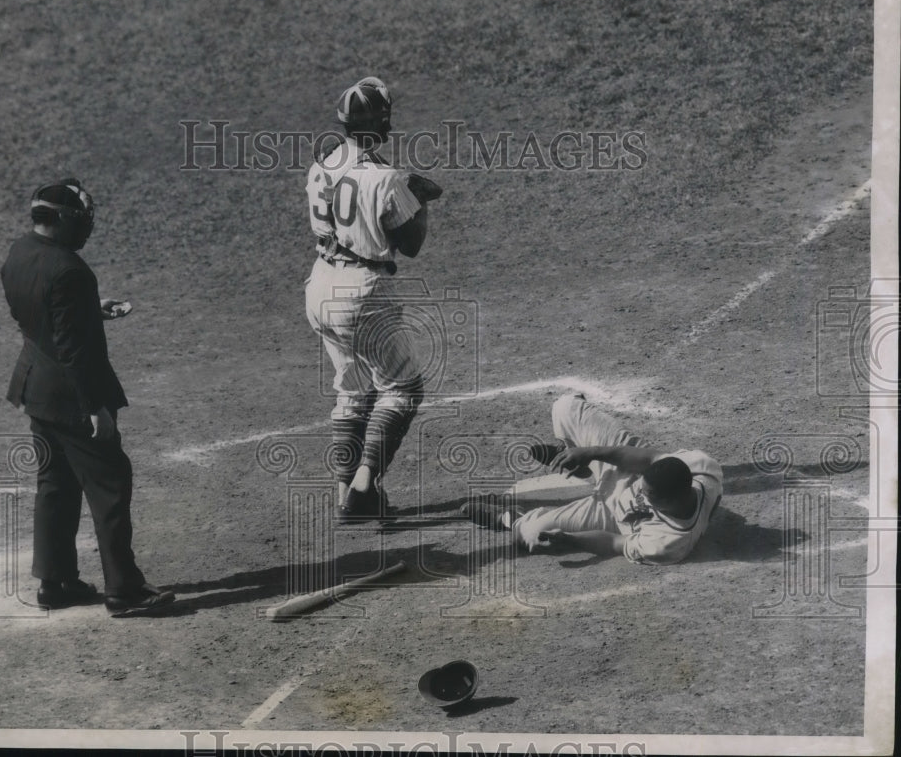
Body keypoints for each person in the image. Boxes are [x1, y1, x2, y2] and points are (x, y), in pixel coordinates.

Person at [1, 178, 174, 615]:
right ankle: (124, 591)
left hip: (34, 388)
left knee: (54, 485)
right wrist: (93, 406)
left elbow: (34, 311)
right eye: (79, 220)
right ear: (61, 220)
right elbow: (75, 351)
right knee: (110, 485)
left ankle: (55, 584)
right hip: (69, 395)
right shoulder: (71, 270)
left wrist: (87, 308)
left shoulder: (18, 252)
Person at [304, 76, 430, 523]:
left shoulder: (321, 166)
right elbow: (411, 244)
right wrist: (422, 201)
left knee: (353, 388)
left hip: (320, 286)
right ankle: (363, 485)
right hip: (362, 292)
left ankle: (345, 494)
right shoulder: (385, 178)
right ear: (383, 121)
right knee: (403, 388)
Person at [462, 393, 723, 565]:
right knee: (565, 407)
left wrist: (572, 541)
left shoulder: (667, 544)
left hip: (610, 516)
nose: (640, 495)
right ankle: (580, 464)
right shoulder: (702, 466)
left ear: (668, 503)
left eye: (647, 495)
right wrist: (590, 452)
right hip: (626, 471)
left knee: (531, 535)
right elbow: (646, 459)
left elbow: (614, 542)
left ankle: (508, 518)